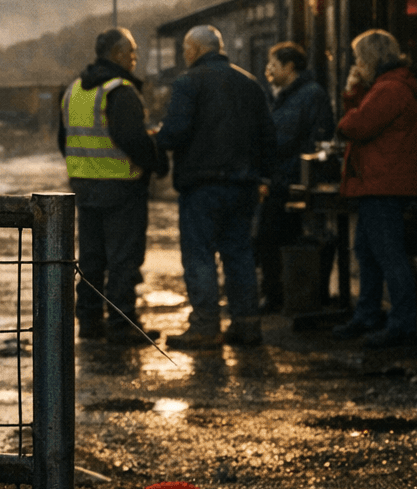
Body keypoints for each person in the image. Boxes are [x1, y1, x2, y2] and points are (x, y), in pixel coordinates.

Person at [155, 25, 276, 348]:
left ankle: (206, 326)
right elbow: (268, 136)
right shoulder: (250, 83)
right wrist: (263, 177)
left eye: (185, 50)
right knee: (239, 253)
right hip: (244, 185)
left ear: (194, 50)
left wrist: (155, 138)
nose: (184, 56)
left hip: (202, 185)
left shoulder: (188, 82)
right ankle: (247, 323)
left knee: (200, 256)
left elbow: (176, 132)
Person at [57, 27, 169, 344]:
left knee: (92, 258)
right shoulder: (120, 91)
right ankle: (122, 324)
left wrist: (85, 169)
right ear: (118, 54)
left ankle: (90, 321)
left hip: (85, 188)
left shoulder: (74, 90)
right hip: (121, 188)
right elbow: (132, 139)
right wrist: (158, 163)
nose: (135, 58)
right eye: (132, 52)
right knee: (123, 257)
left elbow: (63, 141)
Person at [331, 28, 417, 348]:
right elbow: (364, 116)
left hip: (382, 182)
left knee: (387, 253)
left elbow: (354, 125)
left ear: (371, 58)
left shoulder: (390, 89)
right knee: (369, 252)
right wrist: (356, 92)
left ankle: (401, 323)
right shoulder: (391, 87)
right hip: (380, 181)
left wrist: (351, 94)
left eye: (358, 57)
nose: (356, 63)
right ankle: (369, 313)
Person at [256, 42, 335, 313]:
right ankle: (278, 293)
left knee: (277, 237)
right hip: (282, 179)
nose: (269, 70)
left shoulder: (309, 95)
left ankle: (285, 295)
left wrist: (289, 175)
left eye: (274, 65)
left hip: (292, 180)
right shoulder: (286, 95)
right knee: (270, 238)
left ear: (289, 67)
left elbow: (307, 139)